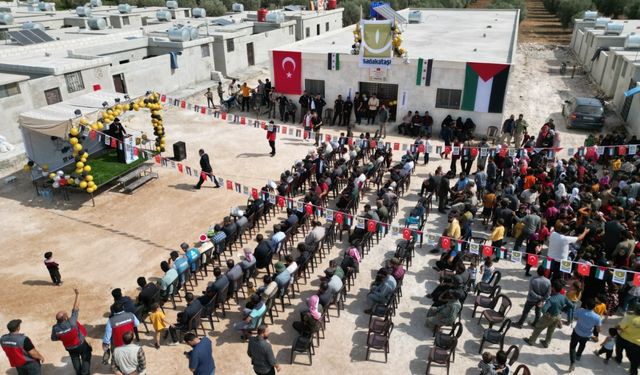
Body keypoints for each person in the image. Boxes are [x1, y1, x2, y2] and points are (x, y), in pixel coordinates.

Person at [51, 288, 91, 375]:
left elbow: (54, 338)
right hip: (80, 344)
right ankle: (85, 373)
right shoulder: (72, 322)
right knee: (86, 355)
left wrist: (64, 337)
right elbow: (75, 308)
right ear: (65, 318)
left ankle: (79, 373)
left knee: (74, 358)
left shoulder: (55, 328)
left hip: (69, 347)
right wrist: (77, 294)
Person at [524, 279, 571, 348]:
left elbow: (544, 309)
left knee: (538, 327)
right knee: (551, 330)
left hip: (549, 316)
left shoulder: (551, 299)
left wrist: (543, 309)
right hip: (558, 316)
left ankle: (531, 341)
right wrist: (563, 309)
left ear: (553, 288)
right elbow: (571, 305)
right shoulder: (563, 297)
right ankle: (546, 343)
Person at [569, 299, 602, 371]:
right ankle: (578, 355)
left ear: (586, 305)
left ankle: (572, 363)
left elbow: (575, 317)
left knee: (572, 347)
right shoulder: (597, 317)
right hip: (587, 335)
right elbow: (598, 330)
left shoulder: (580, 310)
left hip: (577, 332)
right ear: (594, 307)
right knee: (582, 344)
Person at [614, 302, 640, 374]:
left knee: (619, 349)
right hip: (637, 343)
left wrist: (615, 327)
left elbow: (620, 327)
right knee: (634, 358)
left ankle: (618, 359)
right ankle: (633, 371)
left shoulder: (629, 317)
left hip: (624, 338)